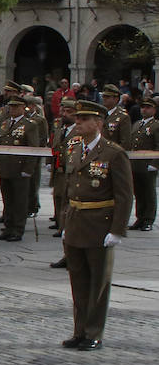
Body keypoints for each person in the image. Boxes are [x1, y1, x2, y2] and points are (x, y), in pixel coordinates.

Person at [61, 99, 133, 351]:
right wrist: (64, 220)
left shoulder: (113, 153)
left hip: (99, 224)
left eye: (84, 119)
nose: (77, 122)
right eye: (77, 118)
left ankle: (94, 332)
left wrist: (117, 230)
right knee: (78, 281)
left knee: (98, 283)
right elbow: (69, 187)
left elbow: (125, 195)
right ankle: (79, 330)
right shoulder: (74, 148)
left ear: (98, 122)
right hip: (76, 221)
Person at [0, 96, 46, 242]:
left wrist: (28, 169)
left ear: (23, 108)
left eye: (16, 107)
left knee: (20, 201)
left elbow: (33, 148)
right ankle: (8, 227)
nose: (13, 109)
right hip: (5, 167)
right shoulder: (4, 124)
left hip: (20, 168)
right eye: (11, 106)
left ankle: (17, 229)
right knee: (7, 200)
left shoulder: (30, 125)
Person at [129, 97, 157, 232]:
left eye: (148, 107)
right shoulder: (137, 124)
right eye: (143, 107)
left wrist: (155, 163)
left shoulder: (156, 125)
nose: (144, 110)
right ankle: (140, 217)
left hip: (148, 163)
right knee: (138, 192)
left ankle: (148, 219)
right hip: (135, 163)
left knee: (149, 192)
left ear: (154, 110)